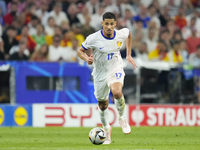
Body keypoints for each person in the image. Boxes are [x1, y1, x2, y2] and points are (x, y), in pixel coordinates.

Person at [77, 12, 137, 144]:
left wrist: (128, 54)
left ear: (115, 24)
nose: (109, 26)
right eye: (106, 24)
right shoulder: (93, 38)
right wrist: (87, 59)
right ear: (102, 24)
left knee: (117, 92)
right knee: (103, 105)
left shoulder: (121, 33)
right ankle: (106, 128)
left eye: (111, 24)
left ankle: (121, 118)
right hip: (99, 73)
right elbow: (79, 51)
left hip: (115, 68)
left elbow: (129, 34)